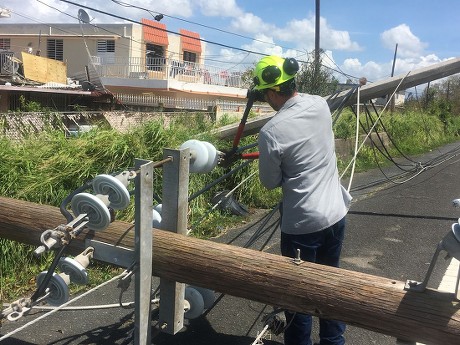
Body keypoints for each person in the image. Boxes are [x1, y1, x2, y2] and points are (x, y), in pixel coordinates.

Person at [253, 55, 352, 345]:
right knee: (328, 285)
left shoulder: (271, 131)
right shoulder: (320, 104)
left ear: (272, 92)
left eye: (264, 94)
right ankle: (334, 341)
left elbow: (270, 182)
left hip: (303, 226)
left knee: (298, 296)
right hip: (335, 214)